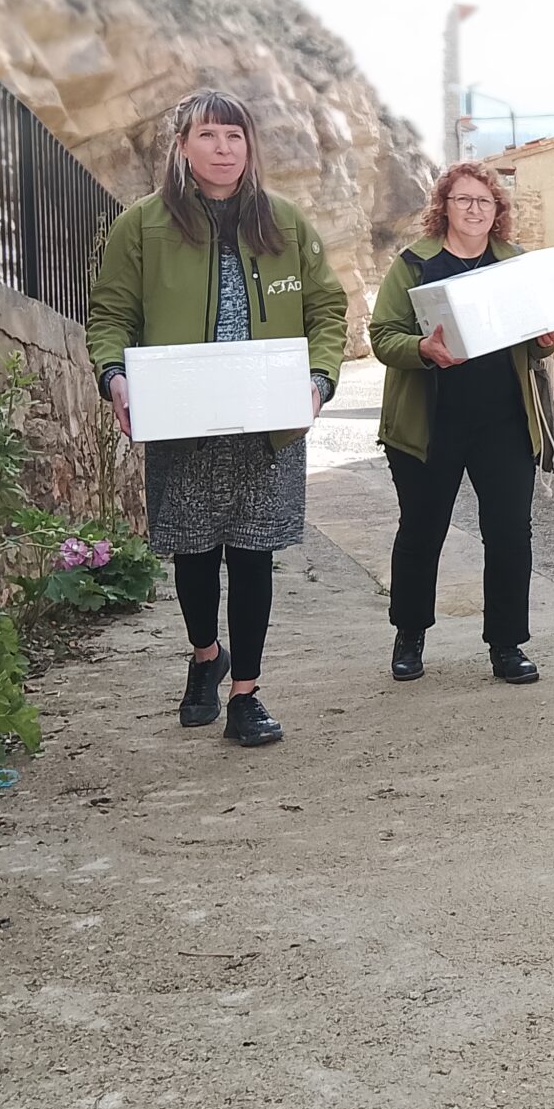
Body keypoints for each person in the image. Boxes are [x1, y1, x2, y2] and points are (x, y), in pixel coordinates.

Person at [87, 89, 349, 747]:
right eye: (208, 136)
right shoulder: (142, 225)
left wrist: (318, 380)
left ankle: (246, 696)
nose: (223, 149)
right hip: (184, 416)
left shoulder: (285, 222)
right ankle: (206, 656)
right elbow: (111, 314)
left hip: (268, 420)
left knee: (255, 553)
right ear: (182, 147)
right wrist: (115, 377)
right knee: (195, 552)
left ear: (249, 147)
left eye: (235, 136)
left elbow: (326, 310)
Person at [369, 161, 554, 684]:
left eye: (485, 201)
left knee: (508, 536)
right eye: (463, 200)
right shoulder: (413, 264)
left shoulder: (516, 264)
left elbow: (536, 335)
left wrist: (547, 340)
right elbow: (381, 335)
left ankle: (507, 645)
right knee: (421, 533)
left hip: (503, 422)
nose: (475, 209)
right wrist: (423, 348)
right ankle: (409, 635)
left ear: (497, 211)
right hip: (430, 423)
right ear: (444, 207)